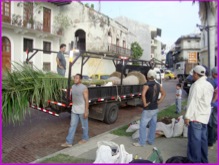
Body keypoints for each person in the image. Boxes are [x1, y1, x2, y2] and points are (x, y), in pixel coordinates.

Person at [184, 65, 214, 163]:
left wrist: (187, 116)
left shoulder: (196, 85)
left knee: (194, 143)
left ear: (196, 74)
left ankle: (194, 161)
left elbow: (193, 101)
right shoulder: (209, 85)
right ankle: (204, 161)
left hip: (196, 117)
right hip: (204, 117)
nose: (193, 75)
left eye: (193, 74)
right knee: (203, 141)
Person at [133, 69, 166, 147]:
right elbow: (164, 94)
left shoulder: (146, 85)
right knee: (153, 125)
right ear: (154, 76)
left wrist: (145, 104)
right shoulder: (158, 85)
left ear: (147, 76)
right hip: (155, 108)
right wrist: (159, 101)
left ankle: (142, 142)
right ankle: (151, 141)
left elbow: (143, 95)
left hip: (148, 109)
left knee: (142, 126)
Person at [61, 74, 89, 147]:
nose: (75, 79)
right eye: (74, 78)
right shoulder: (73, 87)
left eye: (77, 78)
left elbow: (86, 100)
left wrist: (86, 111)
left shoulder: (84, 88)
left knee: (84, 126)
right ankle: (69, 142)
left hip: (82, 110)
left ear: (80, 80)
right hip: (74, 109)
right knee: (72, 125)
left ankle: (85, 138)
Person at [207, 67, 218, 149]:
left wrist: (212, 102)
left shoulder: (212, 81)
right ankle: (214, 138)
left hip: (214, 105)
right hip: (215, 104)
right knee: (214, 123)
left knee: (212, 123)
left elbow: (216, 92)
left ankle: (212, 140)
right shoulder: (213, 80)